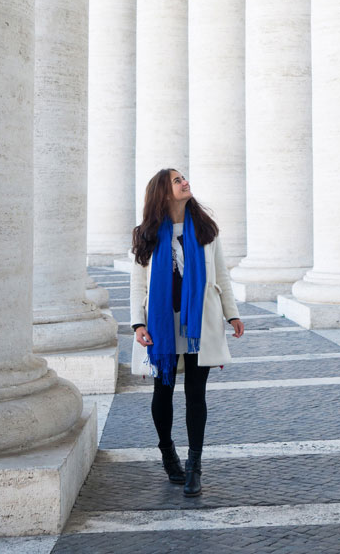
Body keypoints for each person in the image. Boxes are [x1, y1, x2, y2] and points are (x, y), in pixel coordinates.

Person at [129, 168, 244, 497]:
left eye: (184, 178)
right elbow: (138, 284)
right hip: (161, 326)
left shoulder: (205, 229)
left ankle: (195, 466)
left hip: (199, 325)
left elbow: (221, 273)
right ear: (163, 192)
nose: (185, 182)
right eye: (177, 181)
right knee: (162, 393)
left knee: (196, 395)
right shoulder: (146, 234)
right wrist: (138, 323)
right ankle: (169, 456)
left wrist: (232, 314)